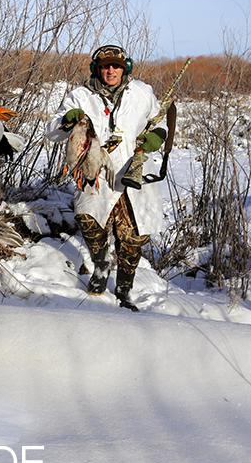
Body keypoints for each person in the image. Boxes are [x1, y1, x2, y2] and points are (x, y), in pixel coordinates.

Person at [45, 45, 168, 309]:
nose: (110, 70)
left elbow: (159, 122)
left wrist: (157, 136)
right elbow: (53, 131)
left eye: (116, 66)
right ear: (97, 69)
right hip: (96, 169)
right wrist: (67, 120)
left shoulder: (142, 93)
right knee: (89, 220)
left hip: (135, 170)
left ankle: (124, 288)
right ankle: (101, 264)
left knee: (134, 235)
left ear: (125, 69)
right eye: (104, 66)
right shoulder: (79, 96)